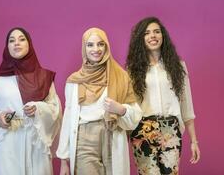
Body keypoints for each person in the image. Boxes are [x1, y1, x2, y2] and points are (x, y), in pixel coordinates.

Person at [56, 27, 142, 175]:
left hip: (112, 133)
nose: (96, 49)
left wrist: (121, 110)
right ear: (84, 48)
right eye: (90, 45)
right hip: (84, 138)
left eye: (100, 44)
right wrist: (64, 160)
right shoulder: (74, 81)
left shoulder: (121, 76)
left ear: (106, 46)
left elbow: (135, 116)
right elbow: (68, 119)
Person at [0, 27, 62, 175]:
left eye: (21, 39)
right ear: (7, 47)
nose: (16, 43)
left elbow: (55, 109)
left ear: (29, 44)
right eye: (11, 41)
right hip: (6, 144)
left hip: (35, 144)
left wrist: (38, 108)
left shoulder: (44, 77)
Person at [126, 17, 200, 175]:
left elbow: (187, 105)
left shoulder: (178, 66)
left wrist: (194, 141)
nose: (152, 36)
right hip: (143, 128)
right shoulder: (133, 70)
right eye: (147, 33)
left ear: (163, 36)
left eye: (156, 32)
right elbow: (130, 105)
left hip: (171, 128)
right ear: (141, 39)